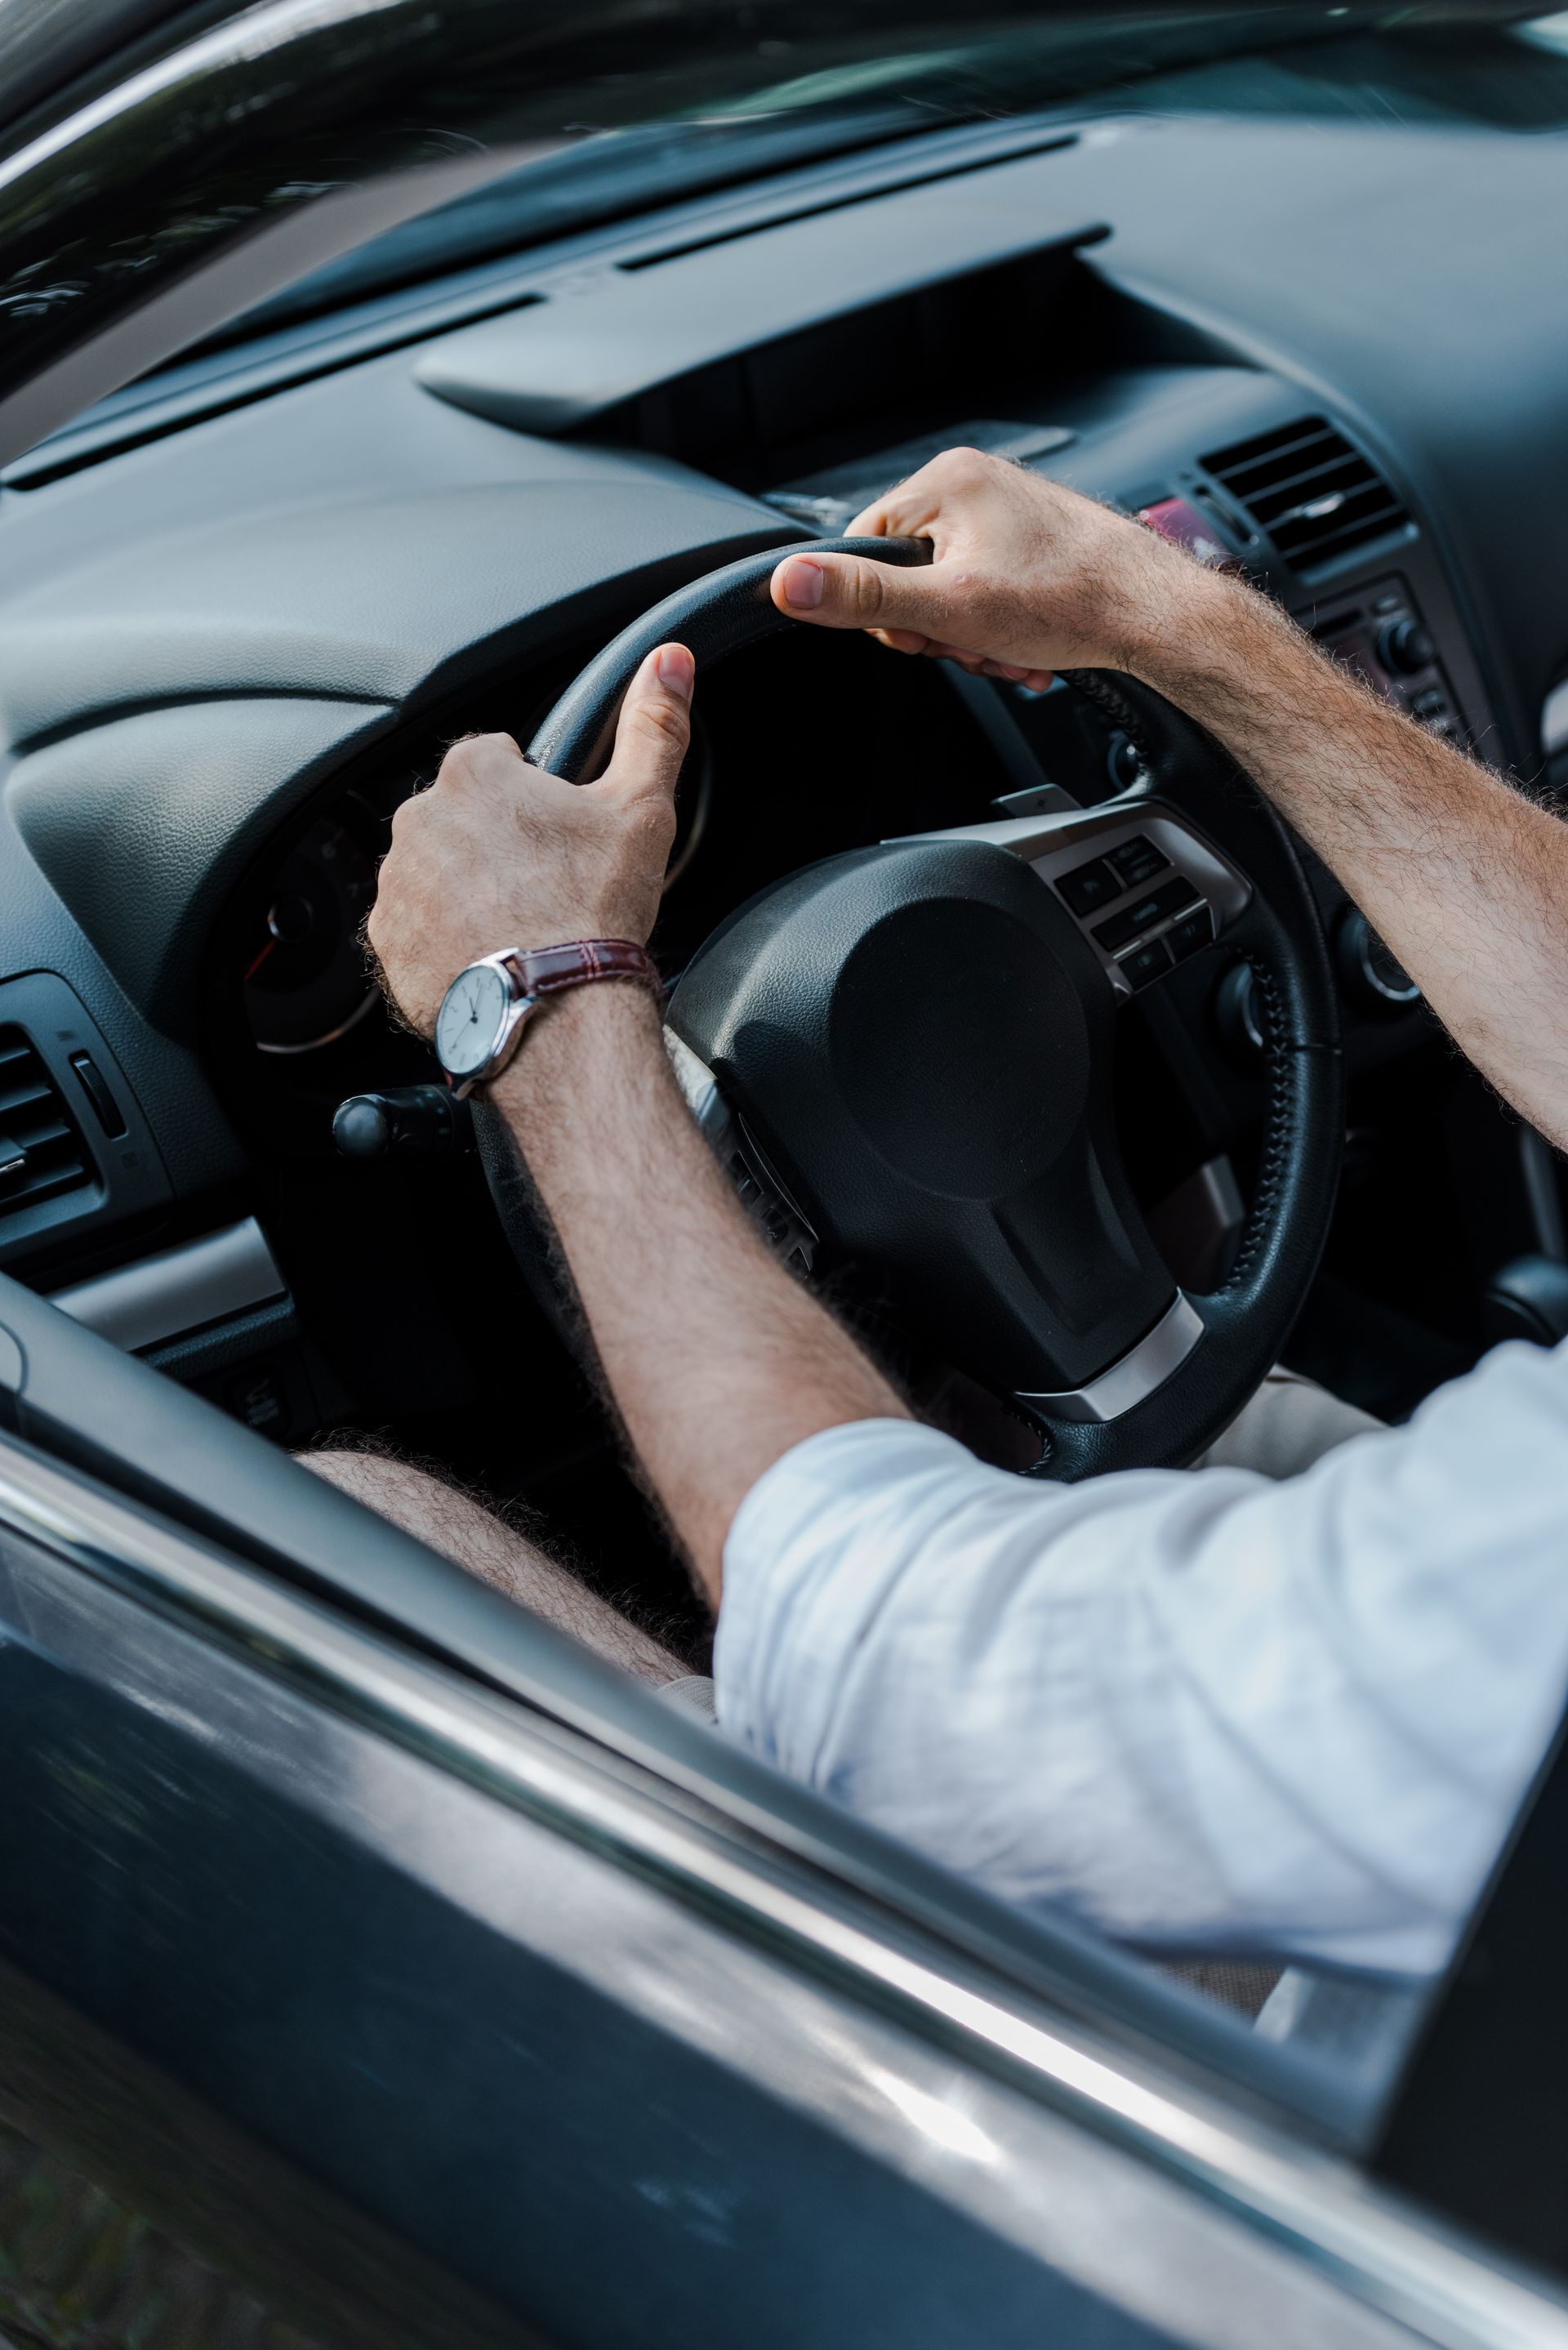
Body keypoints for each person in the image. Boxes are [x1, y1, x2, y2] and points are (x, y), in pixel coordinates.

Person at [310, 450, 1568, 1976]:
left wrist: (542, 996)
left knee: (338, 1539)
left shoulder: (1509, 1591)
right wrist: (1161, 615)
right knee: (1179, 1406)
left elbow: (881, 1668)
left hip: (1324, 2120)